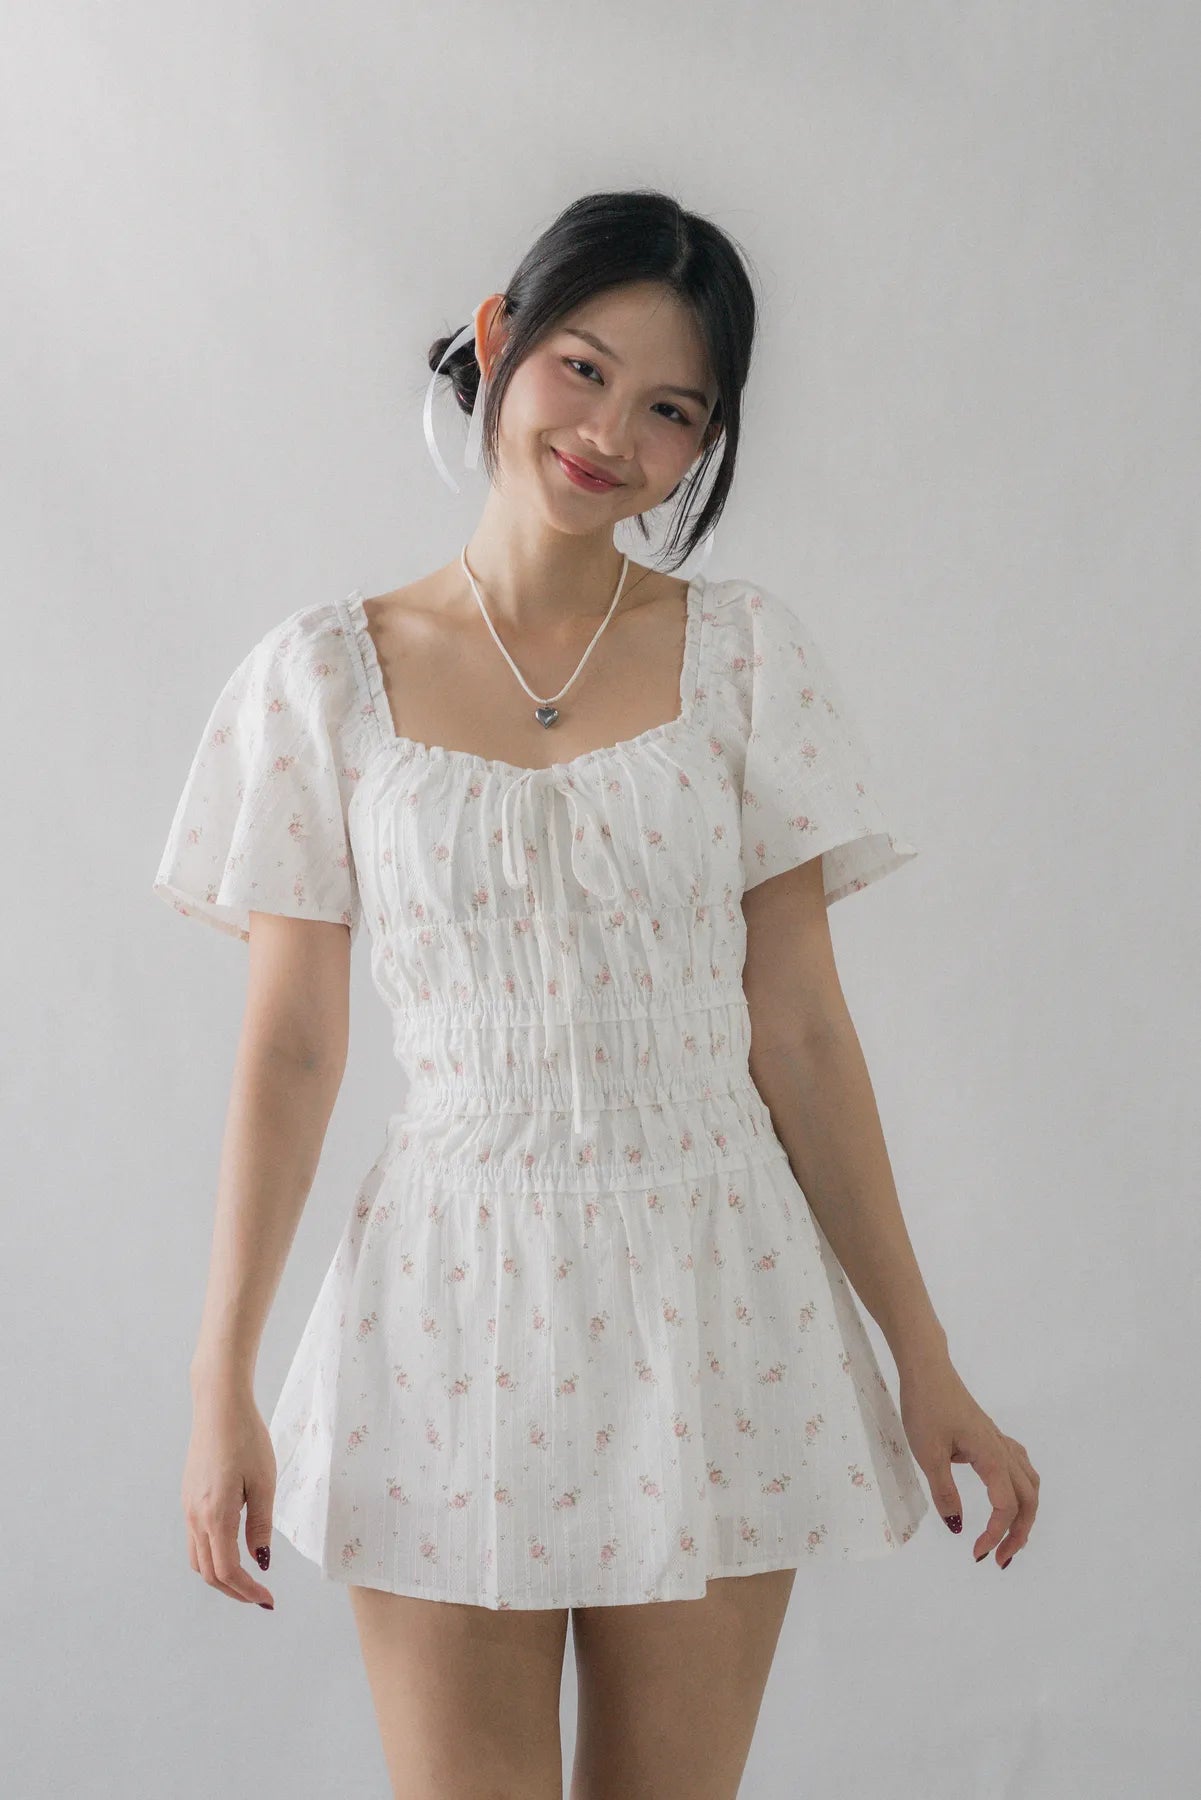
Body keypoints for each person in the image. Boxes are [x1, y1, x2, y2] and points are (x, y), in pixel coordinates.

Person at [154, 190, 1039, 1800]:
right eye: (582, 369)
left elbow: (801, 1032)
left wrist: (923, 1356)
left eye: (670, 411)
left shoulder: (745, 658)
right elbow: (289, 1048)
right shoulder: (323, 675)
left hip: (711, 1289)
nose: (609, 436)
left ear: (706, 445)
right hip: (445, 1295)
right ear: (497, 340)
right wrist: (220, 1380)